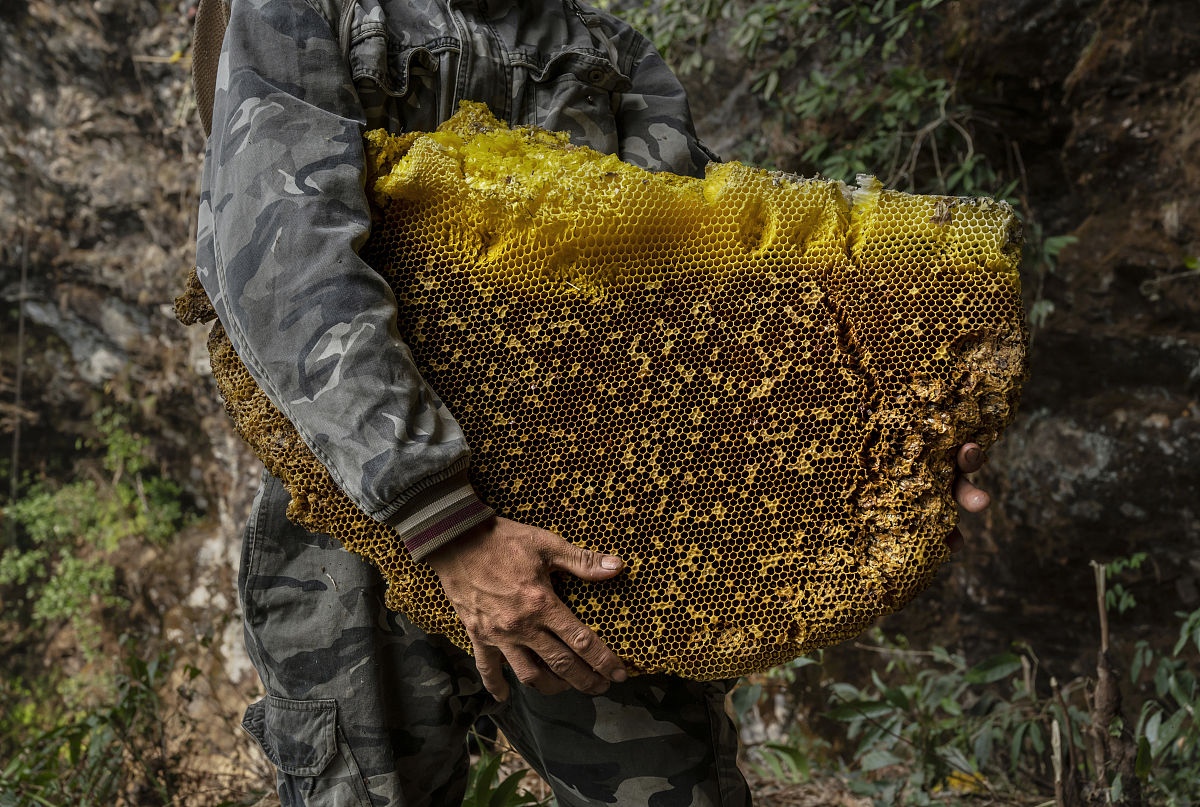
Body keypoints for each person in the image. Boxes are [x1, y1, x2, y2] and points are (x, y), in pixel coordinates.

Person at [193, 0, 992, 804]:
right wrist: (442, 518)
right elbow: (280, 252)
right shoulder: (308, 8)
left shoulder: (608, 50)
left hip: (591, 535)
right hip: (356, 518)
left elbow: (707, 286)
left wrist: (896, 423)